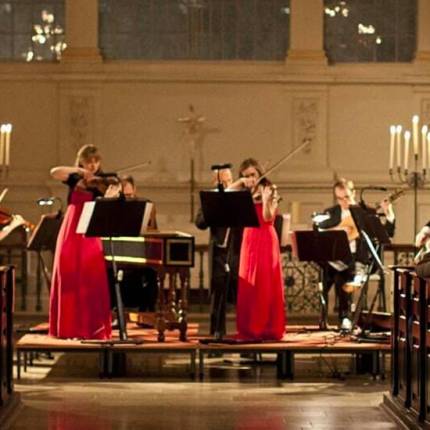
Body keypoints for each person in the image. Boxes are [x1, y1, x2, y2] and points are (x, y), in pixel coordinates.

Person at [49, 144, 112, 339]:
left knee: (89, 275)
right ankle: (68, 328)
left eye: (95, 161)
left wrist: (108, 192)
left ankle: (91, 328)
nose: (92, 165)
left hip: (90, 230)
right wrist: (79, 171)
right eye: (88, 161)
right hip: (70, 230)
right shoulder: (75, 178)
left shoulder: (103, 182)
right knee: (69, 274)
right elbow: (54, 172)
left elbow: (110, 199)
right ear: (82, 161)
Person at [315, 179, 396, 331]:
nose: (343, 201)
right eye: (339, 198)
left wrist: (389, 214)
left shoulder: (365, 212)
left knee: (342, 274)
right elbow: (319, 231)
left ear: (354, 193)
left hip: (359, 259)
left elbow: (387, 233)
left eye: (346, 196)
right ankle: (324, 317)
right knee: (325, 273)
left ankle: (345, 317)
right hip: (337, 258)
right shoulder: (331, 213)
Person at [230, 158, 285, 341]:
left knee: (264, 282)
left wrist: (267, 198)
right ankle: (248, 327)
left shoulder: (269, 189)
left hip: (265, 238)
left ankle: (266, 328)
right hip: (249, 239)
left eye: (253, 175)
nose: (251, 179)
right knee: (249, 283)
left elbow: (268, 218)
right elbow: (226, 195)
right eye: (246, 176)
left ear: (260, 173)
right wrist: (240, 183)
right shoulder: (244, 193)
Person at [195, 165, 242, 338]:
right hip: (219, 251)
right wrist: (213, 206)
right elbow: (200, 222)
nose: (228, 183)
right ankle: (217, 331)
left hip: (236, 248)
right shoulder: (210, 198)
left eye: (230, 179)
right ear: (217, 181)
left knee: (239, 292)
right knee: (218, 292)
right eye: (224, 180)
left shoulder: (238, 197)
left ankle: (243, 330)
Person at [106, 174, 159, 313]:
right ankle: (113, 309)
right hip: (117, 253)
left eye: (130, 195)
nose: (127, 199)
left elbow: (152, 231)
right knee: (108, 272)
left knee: (151, 273)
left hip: (139, 254)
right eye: (124, 196)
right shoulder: (111, 208)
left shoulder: (144, 205)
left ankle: (147, 311)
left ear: (135, 190)